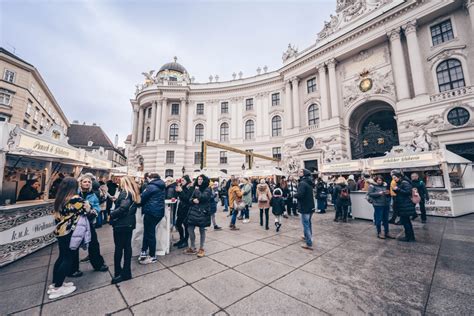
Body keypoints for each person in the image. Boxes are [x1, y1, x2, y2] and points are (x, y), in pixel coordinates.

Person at [49, 177, 83, 299]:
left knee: (62, 256)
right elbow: (87, 210)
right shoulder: (75, 199)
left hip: (60, 230)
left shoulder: (60, 199)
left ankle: (55, 283)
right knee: (68, 258)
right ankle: (58, 287)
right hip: (69, 231)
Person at [73, 174, 108, 274]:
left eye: (89, 182)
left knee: (94, 244)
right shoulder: (75, 193)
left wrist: (93, 212)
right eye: (85, 182)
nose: (87, 183)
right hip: (76, 223)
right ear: (80, 183)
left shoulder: (92, 194)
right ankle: (73, 269)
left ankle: (98, 264)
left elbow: (97, 206)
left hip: (88, 222)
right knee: (74, 245)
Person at [110, 176, 140, 284]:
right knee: (127, 247)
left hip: (121, 224)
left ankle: (120, 272)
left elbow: (123, 208)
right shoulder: (132, 193)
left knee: (119, 248)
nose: (119, 184)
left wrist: (111, 215)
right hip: (128, 224)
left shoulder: (125, 193)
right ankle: (125, 272)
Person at [139, 173, 166, 264]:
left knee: (149, 233)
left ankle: (152, 255)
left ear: (151, 178)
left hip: (150, 212)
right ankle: (144, 250)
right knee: (148, 231)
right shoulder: (161, 185)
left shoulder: (150, 186)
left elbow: (141, 199)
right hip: (158, 213)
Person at [184, 175, 212, 257]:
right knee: (190, 229)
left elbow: (204, 197)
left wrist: (197, 192)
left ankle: (201, 248)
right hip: (193, 212)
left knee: (202, 230)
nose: (200, 181)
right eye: (198, 179)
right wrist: (193, 200)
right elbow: (190, 199)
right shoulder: (196, 188)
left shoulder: (207, 188)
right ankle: (192, 247)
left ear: (205, 180)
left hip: (202, 212)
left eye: (201, 179)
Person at [392, 170, 416, 242]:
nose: (394, 179)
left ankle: (409, 237)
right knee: (406, 222)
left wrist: (398, 189)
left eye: (395, 177)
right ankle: (410, 237)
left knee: (406, 222)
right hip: (403, 205)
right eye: (393, 178)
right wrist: (396, 190)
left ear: (399, 177)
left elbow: (408, 192)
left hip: (405, 205)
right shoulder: (400, 183)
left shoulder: (404, 182)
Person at [295, 169, 315, 250]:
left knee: (306, 224)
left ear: (304, 174)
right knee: (308, 223)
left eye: (300, 172)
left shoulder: (302, 183)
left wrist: (294, 195)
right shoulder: (309, 182)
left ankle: (309, 243)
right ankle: (307, 236)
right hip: (310, 206)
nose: (298, 173)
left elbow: (300, 195)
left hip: (305, 206)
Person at [174, 175, 193, 249]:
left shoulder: (190, 188)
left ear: (187, 181)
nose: (181, 182)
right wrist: (177, 191)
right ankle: (181, 239)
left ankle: (185, 241)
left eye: (183, 181)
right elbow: (180, 197)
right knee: (178, 224)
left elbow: (187, 199)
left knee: (186, 225)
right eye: (181, 180)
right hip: (181, 209)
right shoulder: (182, 187)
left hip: (186, 209)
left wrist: (181, 191)